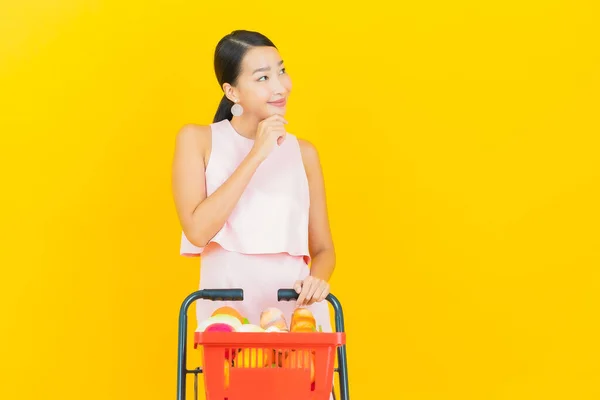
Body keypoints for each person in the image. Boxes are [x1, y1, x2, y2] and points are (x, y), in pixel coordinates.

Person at [171, 30, 336, 333]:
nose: (280, 86)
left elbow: (324, 249)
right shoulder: (197, 140)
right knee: (237, 380)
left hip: (297, 316)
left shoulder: (304, 153)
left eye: (281, 71)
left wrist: (317, 280)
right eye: (262, 78)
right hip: (227, 312)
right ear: (232, 92)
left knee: (304, 380)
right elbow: (197, 231)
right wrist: (257, 154)